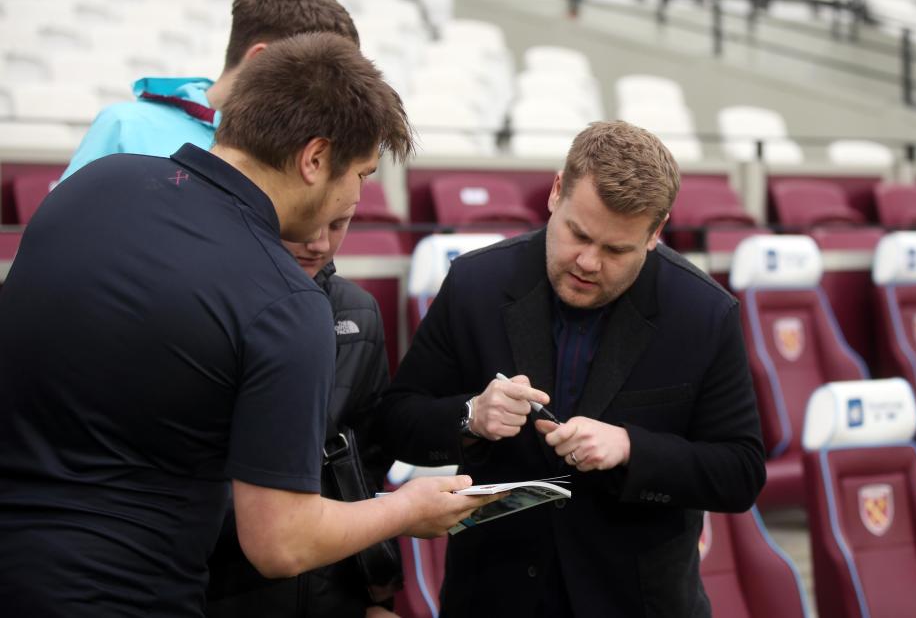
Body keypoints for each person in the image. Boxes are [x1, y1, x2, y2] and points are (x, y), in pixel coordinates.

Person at [0, 32, 496, 617]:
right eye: (361, 173)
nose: (359, 197)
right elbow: (281, 543)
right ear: (314, 159)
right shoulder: (286, 303)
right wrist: (407, 510)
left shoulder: (93, 184)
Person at [376, 121, 767, 617]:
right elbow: (395, 423)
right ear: (556, 191)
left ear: (656, 232)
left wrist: (631, 448)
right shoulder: (476, 284)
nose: (588, 261)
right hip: (493, 598)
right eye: (577, 233)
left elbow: (740, 472)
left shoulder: (705, 314)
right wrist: (471, 416)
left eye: (616, 250)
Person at [206, 214, 403, 617]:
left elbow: (366, 465)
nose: (319, 243)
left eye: (339, 223)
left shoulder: (359, 313)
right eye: (305, 223)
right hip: (222, 587)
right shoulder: (207, 305)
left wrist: (372, 593)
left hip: (332, 590)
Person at [59, 0, 359, 181]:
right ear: (260, 61)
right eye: (319, 76)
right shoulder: (124, 127)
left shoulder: (304, 153)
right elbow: (57, 242)